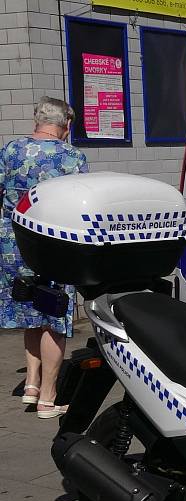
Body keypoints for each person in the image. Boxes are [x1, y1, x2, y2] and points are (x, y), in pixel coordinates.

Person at [0, 96, 88, 419]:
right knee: (53, 316)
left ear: (37, 120)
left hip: (14, 245)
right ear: (65, 124)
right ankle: (49, 398)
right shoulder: (72, 157)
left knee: (30, 312)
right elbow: (81, 205)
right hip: (55, 247)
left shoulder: (10, 151)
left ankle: (32, 385)